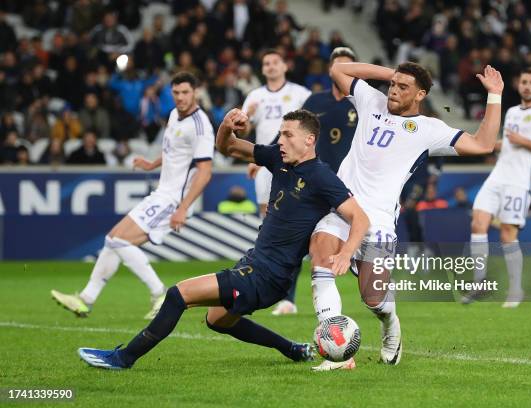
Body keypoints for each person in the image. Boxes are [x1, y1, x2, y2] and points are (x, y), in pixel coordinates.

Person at [76, 108, 370, 370]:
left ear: (309, 140)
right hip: (256, 264)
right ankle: (292, 349)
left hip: (269, 275)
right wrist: (227, 125)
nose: (280, 140)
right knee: (217, 320)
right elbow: (227, 147)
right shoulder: (277, 159)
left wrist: (345, 254)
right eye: (280, 133)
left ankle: (124, 358)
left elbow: (360, 218)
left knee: (177, 295)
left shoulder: (322, 177)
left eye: (287, 134)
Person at [309, 61, 504, 370]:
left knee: (373, 299)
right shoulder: (371, 99)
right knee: (320, 250)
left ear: (420, 94)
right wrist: (392, 73)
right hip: (341, 208)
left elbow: (483, 144)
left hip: (379, 220)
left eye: (403, 87)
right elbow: (337, 69)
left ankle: (391, 326)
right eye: (393, 85)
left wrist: (495, 95)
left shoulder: (429, 129)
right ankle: (337, 350)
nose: (393, 91)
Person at [51, 72, 214, 320]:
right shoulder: (173, 115)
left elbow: (205, 172)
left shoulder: (200, 125)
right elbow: (175, 151)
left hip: (173, 200)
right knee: (112, 240)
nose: (180, 98)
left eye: (185, 93)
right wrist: (152, 164)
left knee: (118, 240)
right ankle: (85, 300)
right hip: (163, 193)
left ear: (195, 93)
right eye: (176, 93)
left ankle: (160, 293)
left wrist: (183, 208)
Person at [272, 47, 358, 316]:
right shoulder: (315, 102)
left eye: (349, 67)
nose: (344, 72)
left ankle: (374, 292)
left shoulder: (363, 104)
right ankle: (287, 298)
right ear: (331, 70)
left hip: (350, 186)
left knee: (355, 238)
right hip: (314, 182)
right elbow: (293, 134)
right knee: (299, 236)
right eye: (338, 67)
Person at [465, 67, 531, 308]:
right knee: (477, 222)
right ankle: (479, 283)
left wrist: (522, 141)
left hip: (518, 182)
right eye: (524, 81)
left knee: (508, 234)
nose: (527, 86)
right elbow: (508, 144)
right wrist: (487, 144)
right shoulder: (512, 112)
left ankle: (516, 290)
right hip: (497, 176)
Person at [240, 49, 311, 217]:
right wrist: (246, 117)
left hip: (296, 161)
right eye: (266, 64)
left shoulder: (301, 94)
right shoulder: (254, 96)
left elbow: (314, 125)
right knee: (266, 212)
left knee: (297, 210)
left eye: (275, 62)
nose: (271, 66)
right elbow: (244, 133)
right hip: (266, 162)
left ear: (285, 66)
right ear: (263, 70)